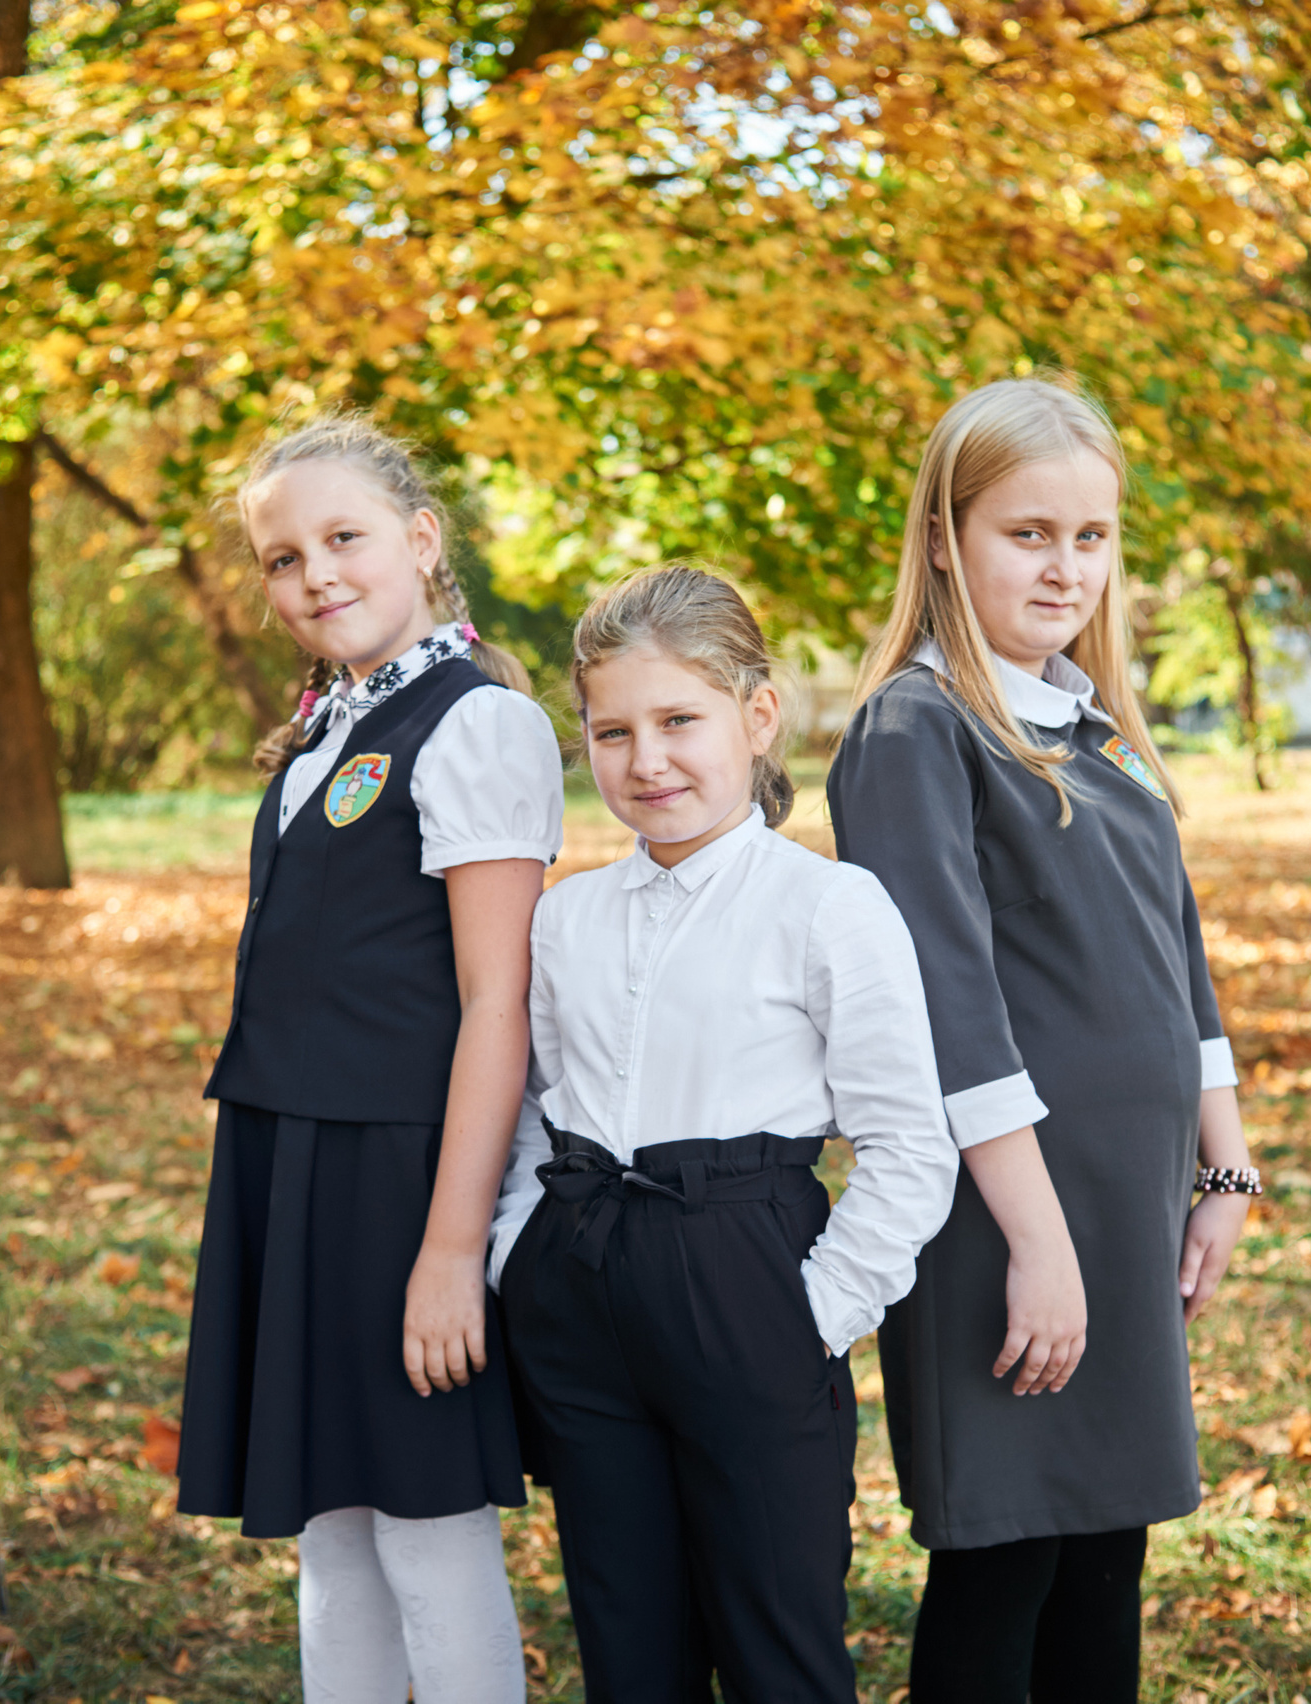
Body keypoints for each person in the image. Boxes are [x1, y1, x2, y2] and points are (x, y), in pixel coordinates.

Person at [825, 377, 1261, 1704]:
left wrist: (1225, 1168)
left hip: (1118, 1202)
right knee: (1005, 1553)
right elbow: (946, 1008)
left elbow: (1175, 955)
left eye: (1091, 536)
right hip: (1004, 1214)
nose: (1067, 566)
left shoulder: (1102, 728)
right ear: (948, 539)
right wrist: (1040, 1242)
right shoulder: (917, 729)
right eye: (1029, 533)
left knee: (1104, 1546)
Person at [487, 566, 957, 1704]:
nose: (646, 761)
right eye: (613, 732)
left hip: (749, 1281)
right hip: (583, 1285)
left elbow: (909, 1145)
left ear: (756, 718)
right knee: (626, 1638)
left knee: (776, 1643)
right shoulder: (564, 915)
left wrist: (812, 1315)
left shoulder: (827, 907)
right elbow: (533, 1103)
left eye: (678, 722)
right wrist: (517, 1252)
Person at [177, 413, 562, 1704]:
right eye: (282, 559)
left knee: (425, 1525)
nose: (315, 575)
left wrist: (454, 1247)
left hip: (407, 1179)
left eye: (343, 538)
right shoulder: (329, 729)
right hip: (292, 1163)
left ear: (422, 537)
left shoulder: (477, 725)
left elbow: (496, 1004)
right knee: (334, 1532)